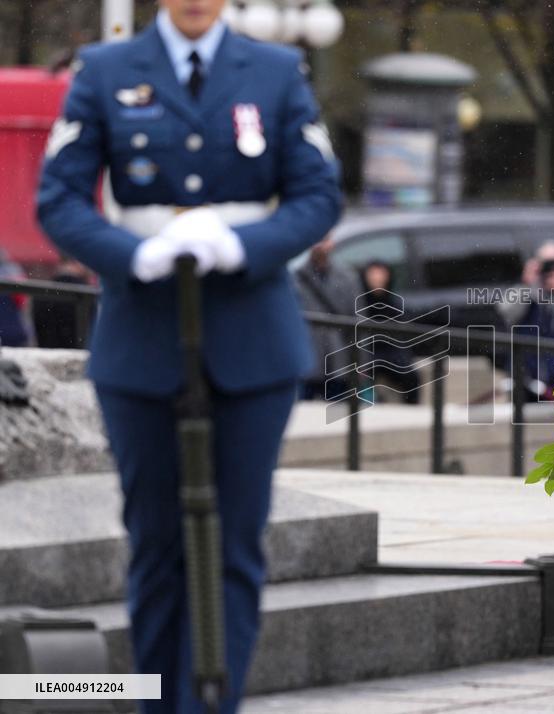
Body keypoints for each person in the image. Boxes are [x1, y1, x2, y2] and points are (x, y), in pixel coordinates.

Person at [35, 1, 342, 712]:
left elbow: (318, 194)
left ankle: (211, 704)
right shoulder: (106, 70)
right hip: (142, 336)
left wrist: (242, 245)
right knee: (156, 547)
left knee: (235, 546)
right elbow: (59, 199)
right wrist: (133, 254)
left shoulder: (275, 71)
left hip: (250, 339)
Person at [497, 241, 554, 400]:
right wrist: (527, 284)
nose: (549, 270)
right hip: (526, 376)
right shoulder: (524, 288)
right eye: (545, 263)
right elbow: (506, 314)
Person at [294, 238, 361, 401]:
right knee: (303, 416)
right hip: (307, 358)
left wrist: (361, 363)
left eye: (324, 240)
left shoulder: (347, 277)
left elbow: (359, 320)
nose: (319, 245)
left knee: (336, 416)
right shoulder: (295, 277)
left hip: (338, 358)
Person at [359, 260, 422, 405]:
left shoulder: (395, 305)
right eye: (373, 275)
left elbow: (402, 338)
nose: (377, 279)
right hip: (367, 353)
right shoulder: (361, 304)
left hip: (391, 354)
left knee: (410, 376)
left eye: (380, 275)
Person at [31, 253, 94, 349]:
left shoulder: (42, 292)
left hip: (47, 357)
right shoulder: (88, 293)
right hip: (81, 356)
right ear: (78, 262)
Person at [0, 249, 30, 348]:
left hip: (11, 330)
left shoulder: (13, 272)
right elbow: (22, 302)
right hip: (15, 331)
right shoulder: (13, 272)